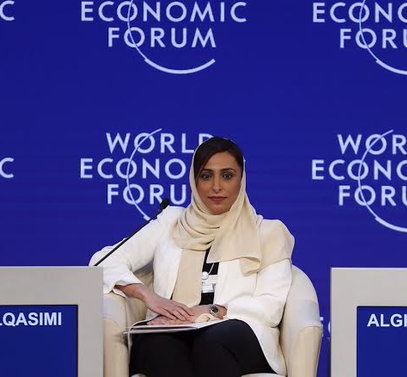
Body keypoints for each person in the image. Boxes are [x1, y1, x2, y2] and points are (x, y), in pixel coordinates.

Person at [89, 137, 295, 377]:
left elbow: (271, 304)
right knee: (157, 345)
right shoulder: (171, 222)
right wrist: (148, 296)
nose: (216, 186)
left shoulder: (268, 232)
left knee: (212, 341)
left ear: (242, 179)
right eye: (206, 176)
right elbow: (103, 261)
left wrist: (210, 311)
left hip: (236, 331)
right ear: (194, 181)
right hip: (173, 329)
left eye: (227, 176)